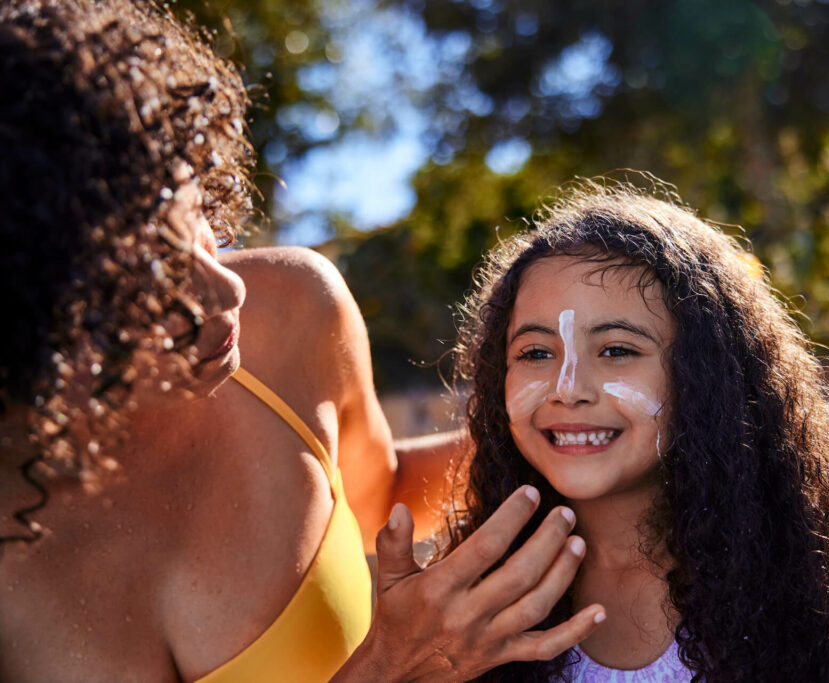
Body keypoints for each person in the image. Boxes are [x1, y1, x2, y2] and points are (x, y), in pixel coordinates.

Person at [0, 1, 605, 680]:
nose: (224, 292)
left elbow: (381, 492)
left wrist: (566, 436)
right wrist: (389, 665)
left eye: (196, 219)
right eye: (153, 281)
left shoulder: (288, 313)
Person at [441, 179, 829, 681]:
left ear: (706, 377)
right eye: (536, 353)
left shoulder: (789, 583)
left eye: (617, 350)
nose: (569, 388)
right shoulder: (469, 599)